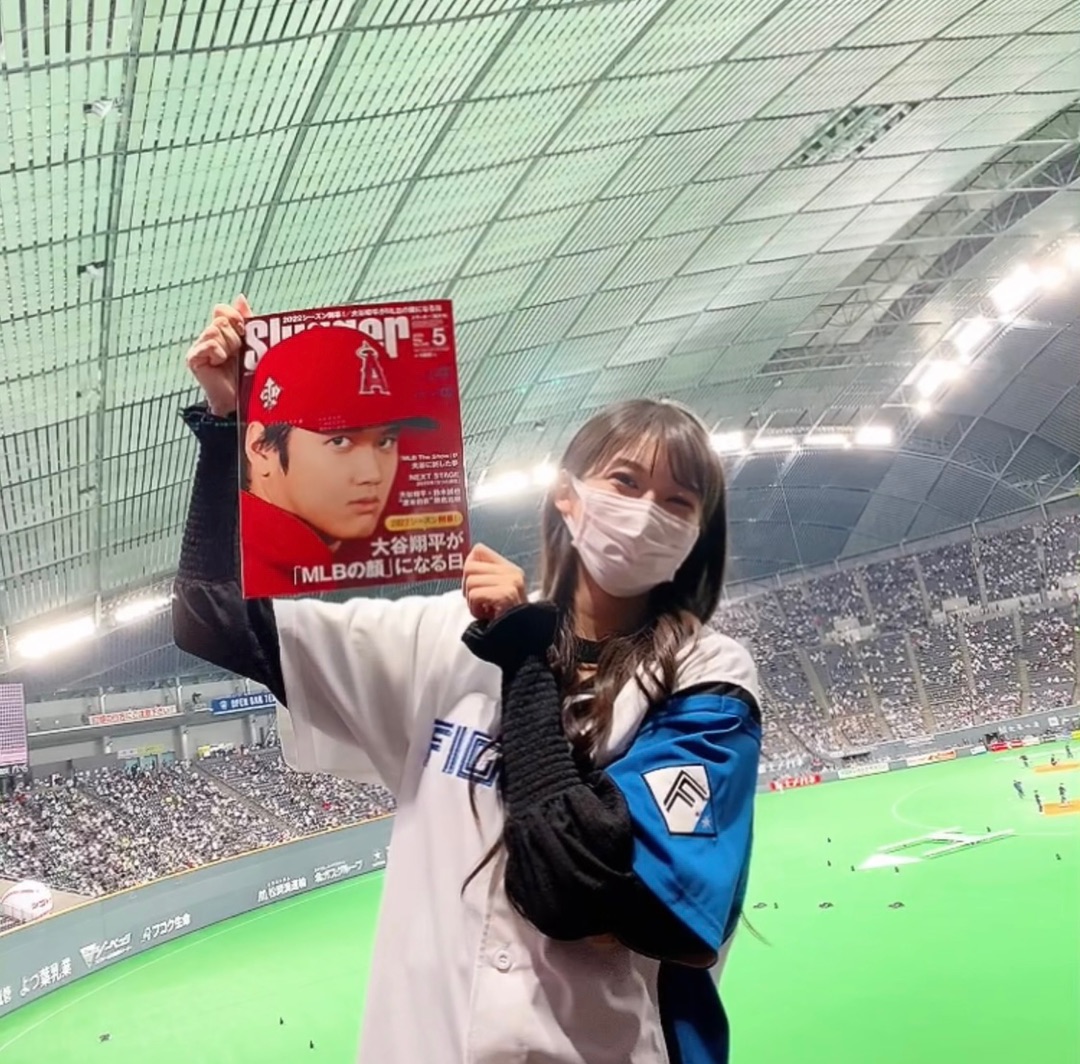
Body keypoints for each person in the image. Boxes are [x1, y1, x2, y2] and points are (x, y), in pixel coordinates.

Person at [174, 298, 762, 1064]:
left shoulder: (707, 673)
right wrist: (232, 424)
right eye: (625, 481)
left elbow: (582, 894)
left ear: (694, 537)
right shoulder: (439, 634)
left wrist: (524, 656)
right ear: (566, 495)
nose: (647, 511)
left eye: (678, 503)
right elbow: (212, 616)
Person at [189, 297, 437, 597]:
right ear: (261, 448)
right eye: (340, 441)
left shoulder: (335, 553)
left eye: (385, 441)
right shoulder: (237, 575)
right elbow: (208, 609)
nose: (372, 474)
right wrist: (225, 418)